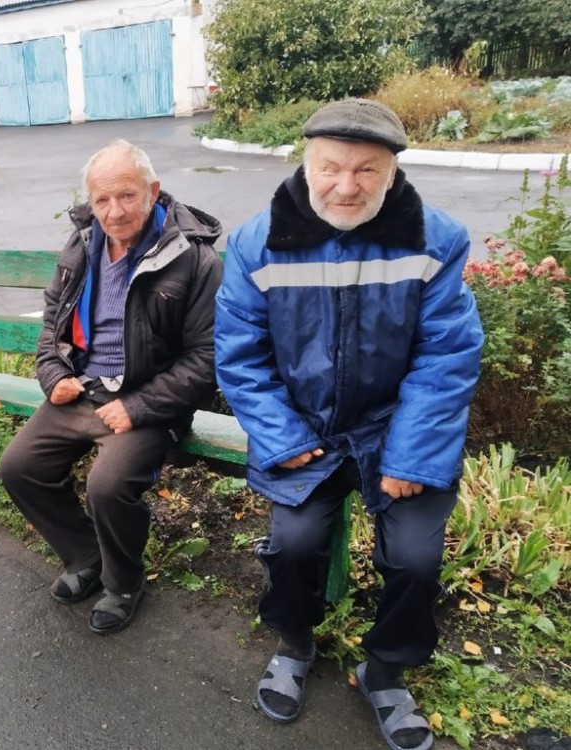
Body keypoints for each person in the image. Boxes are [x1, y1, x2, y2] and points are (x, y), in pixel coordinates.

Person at [214, 99, 483, 750]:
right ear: (306, 163)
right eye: (331, 166)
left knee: (417, 557)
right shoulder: (259, 242)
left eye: (367, 169)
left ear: (392, 172)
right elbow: (240, 357)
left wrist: (412, 456)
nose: (346, 184)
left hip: (397, 428)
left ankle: (386, 669)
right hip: (305, 430)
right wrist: (285, 441)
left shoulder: (434, 239)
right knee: (295, 544)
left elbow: (447, 353)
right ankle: (295, 642)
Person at [0, 140, 223, 635]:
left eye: (126, 196)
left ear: (153, 191)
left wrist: (139, 406)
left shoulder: (197, 260)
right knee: (19, 468)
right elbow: (51, 327)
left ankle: (123, 582)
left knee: (108, 486)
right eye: (102, 200)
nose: (114, 211)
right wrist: (55, 377)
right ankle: (86, 557)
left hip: (148, 403)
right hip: (83, 390)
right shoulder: (80, 245)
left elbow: (206, 359)